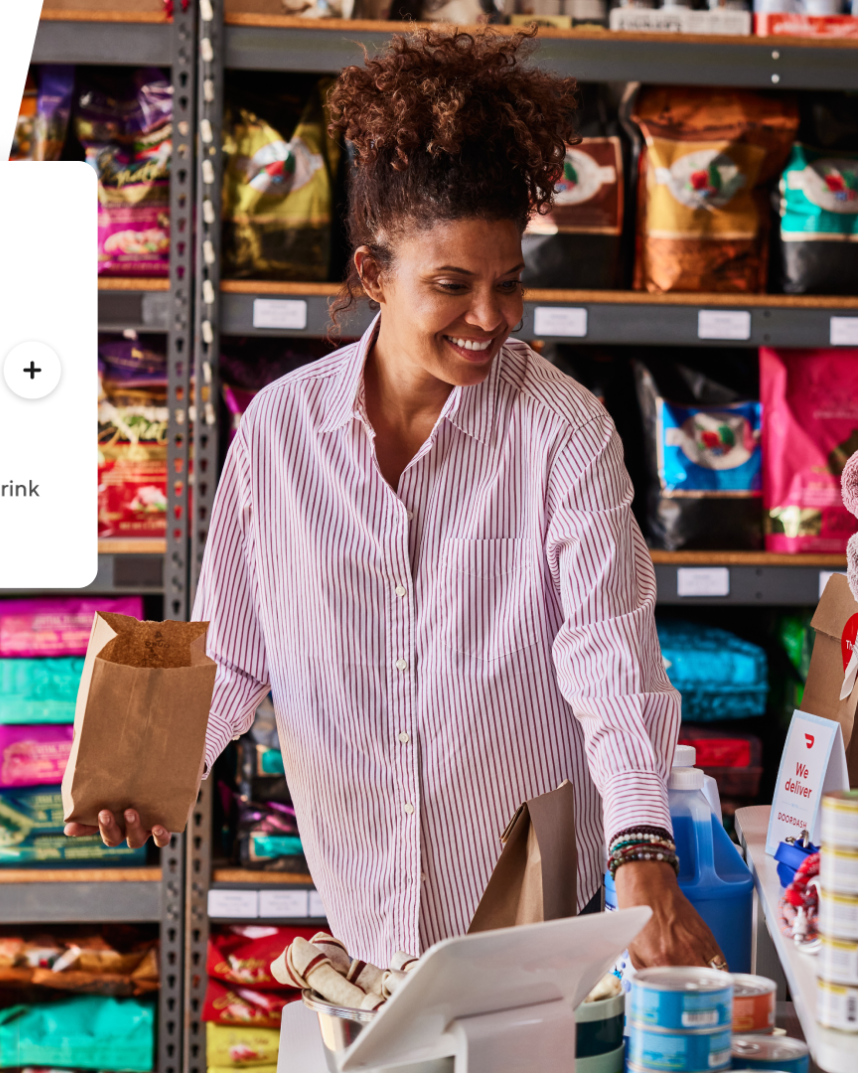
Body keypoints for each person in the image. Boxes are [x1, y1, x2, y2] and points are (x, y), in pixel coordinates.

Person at [68, 27, 725, 973]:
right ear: (375, 275)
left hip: (537, 921)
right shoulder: (279, 433)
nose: (491, 318)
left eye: (508, 284)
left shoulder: (563, 431)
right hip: (368, 911)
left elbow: (610, 663)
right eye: (452, 286)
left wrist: (644, 859)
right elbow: (235, 646)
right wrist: (148, 771)